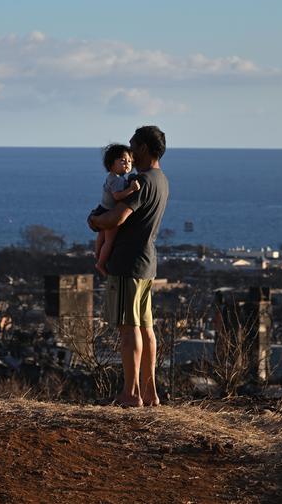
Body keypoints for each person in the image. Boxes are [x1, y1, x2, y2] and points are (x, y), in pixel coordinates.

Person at [88, 125, 169, 407]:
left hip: (127, 263)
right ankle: (150, 393)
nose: (130, 151)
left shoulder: (142, 182)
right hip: (147, 263)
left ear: (144, 148)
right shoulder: (161, 180)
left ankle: (131, 393)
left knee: (128, 329)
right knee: (146, 328)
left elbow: (116, 218)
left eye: (133, 145)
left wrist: (94, 221)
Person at [91, 144, 141, 277]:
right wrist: (131, 189)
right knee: (109, 241)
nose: (127, 164)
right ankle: (100, 264)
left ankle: (97, 254)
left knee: (101, 236)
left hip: (101, 209)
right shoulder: (117, 180)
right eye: (123, 161)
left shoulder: (113, 177)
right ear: (111, 164)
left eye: (130, 161)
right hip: (109, 212)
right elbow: (117, 196)